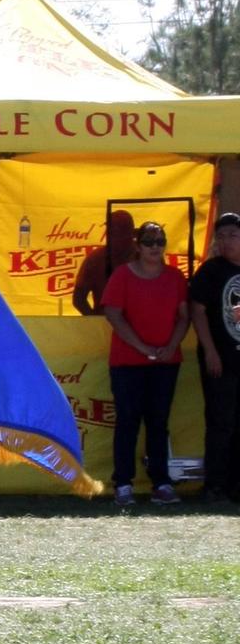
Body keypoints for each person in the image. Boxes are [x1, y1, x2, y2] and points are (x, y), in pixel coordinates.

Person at [101, 220, 190, 508]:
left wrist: (171, 346)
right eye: (149, 242)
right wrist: (144, 348)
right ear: (138, 246)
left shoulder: (176, 277)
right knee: (128, 421)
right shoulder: (122, 276)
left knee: (158, 422)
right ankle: (123, 484)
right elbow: (113, 314)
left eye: (160, 241)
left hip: (166, 361)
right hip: (128, 361)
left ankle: (161, 482)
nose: (155, 247)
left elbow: (184, 316)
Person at [186, 212, 240, 504]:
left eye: (232, 235)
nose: (226, 241)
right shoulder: (210, 271)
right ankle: (215, 486)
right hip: (221, 360)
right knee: (221, 423)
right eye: (221, 236)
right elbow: (197, 311)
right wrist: (210, 351)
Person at [72, 209, 137, 317]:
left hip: (140, 325)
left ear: (131, 234)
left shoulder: (144, 257)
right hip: (106, 324)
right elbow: (79, 298)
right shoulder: (96, 259)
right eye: (111, 232)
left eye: (119, 233)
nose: (114, 238)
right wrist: (96, 322)